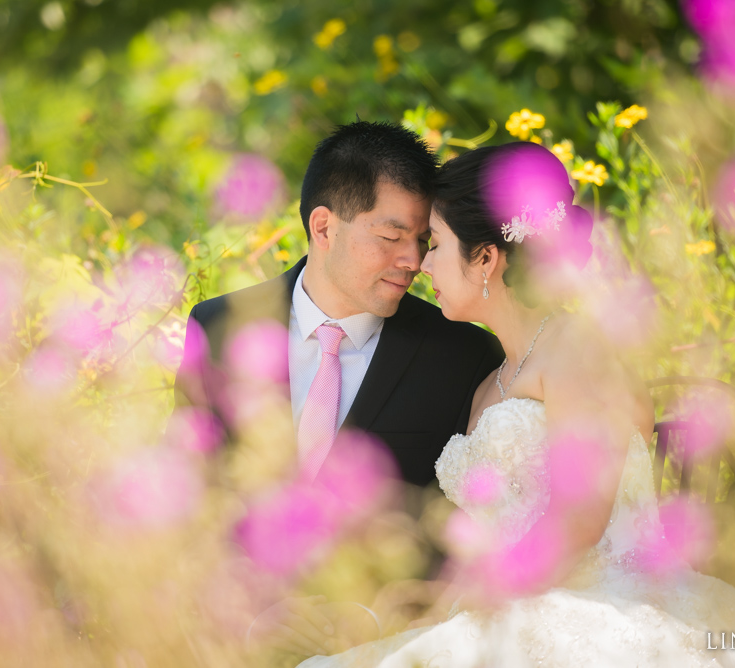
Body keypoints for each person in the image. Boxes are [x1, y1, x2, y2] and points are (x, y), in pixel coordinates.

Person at [297, 142, 735, 667]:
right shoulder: (489, 380)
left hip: (595, 601)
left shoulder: (580, 352)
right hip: (498, 603)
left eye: (435, 244)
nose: (420, 263)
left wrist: (478, 597)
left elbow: (580, 518)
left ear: (484, 257)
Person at [174, 121, 503, 659]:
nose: (413, 261)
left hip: (388, 645)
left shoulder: (464, 356)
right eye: (392, 238)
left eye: (422, 241)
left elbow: (466, 528)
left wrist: (368, 622)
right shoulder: (218, 326)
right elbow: (194, 493)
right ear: (324, 227)